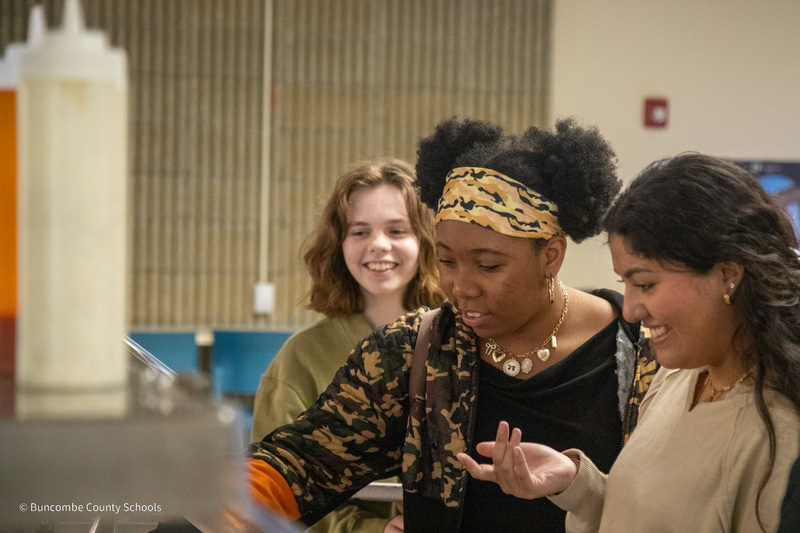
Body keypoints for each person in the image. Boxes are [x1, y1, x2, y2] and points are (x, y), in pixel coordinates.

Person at [245, 117, 658, 532]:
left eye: (488, 265)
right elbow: (307, 459)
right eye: (446, 261)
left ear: (551, 256)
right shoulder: (414, 352)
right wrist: (227, 497)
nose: (460, 287)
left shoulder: (644, 354)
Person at [458, 153, 800, 532]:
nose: (632, 311)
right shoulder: (679, 378)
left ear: (727, 275)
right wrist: (576, 482)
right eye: (626, 285)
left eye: (646, 284)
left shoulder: (775, 437)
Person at [250, 158, 444, 532]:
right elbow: (271, 497)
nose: (379, 245)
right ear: (338, 244)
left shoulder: (459, 345)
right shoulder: (299, 359)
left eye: (397, 230)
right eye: (359, 232)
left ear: (425, 240)